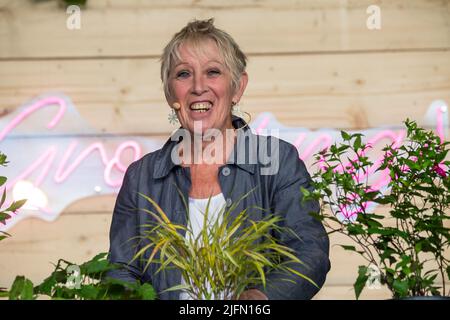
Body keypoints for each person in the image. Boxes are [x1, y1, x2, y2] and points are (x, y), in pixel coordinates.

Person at [108, 18, 330, 300]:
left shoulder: (278, 160)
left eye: (213, 72)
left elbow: (309, 253)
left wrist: (261, 298)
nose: (198, 87)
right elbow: (121, 271)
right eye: (183, 74)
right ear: (169, 92)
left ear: (237, 87)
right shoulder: (141, 177)